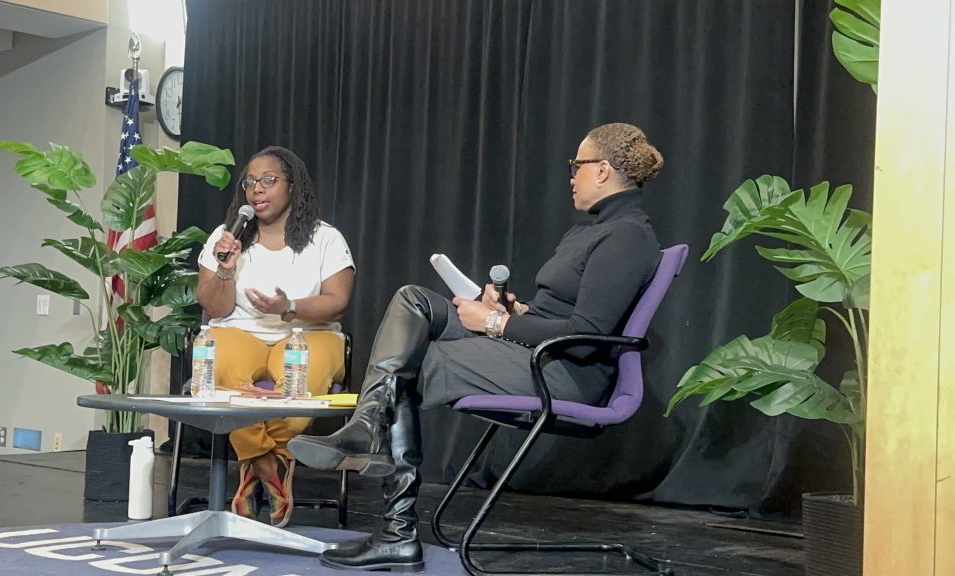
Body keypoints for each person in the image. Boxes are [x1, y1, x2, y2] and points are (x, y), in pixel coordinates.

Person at [288, 122, 664, 571]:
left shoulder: (627, 235)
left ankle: (396, 526)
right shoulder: (586, 231)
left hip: (563, 376)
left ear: (602, 170)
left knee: (409, 361)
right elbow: (556, 316)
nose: (571, 175)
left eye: (576, 165)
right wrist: (512, 309)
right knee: (414, 301)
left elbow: (588, 334)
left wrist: (494, 321)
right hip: (536, 354)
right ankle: (368, 428)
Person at [196, 146, 355, 527]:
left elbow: (337, 303)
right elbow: (214, 308)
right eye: (250, 182)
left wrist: (288, 307)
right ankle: (270, 463)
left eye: (269, 180)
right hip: (239, 331)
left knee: (304, 376)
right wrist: (226, 270)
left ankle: (256, 463)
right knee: (217, 357)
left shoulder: (325, 238)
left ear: (292, 186)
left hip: (307, 332)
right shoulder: (227, 238)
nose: (257, 190)